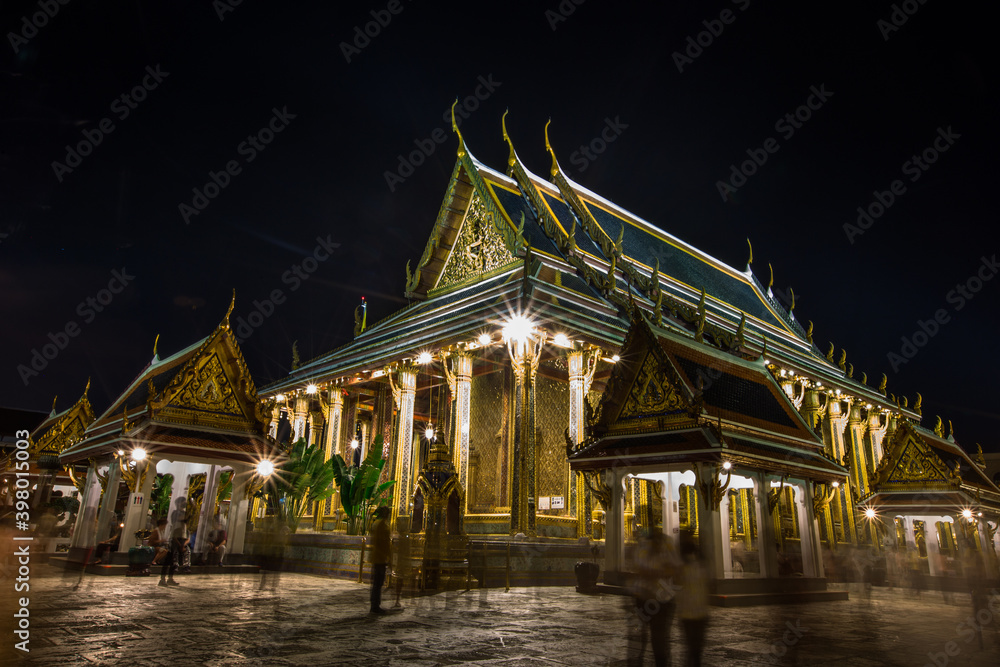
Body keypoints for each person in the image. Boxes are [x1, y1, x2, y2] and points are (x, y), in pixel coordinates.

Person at [628, 529, 679, 667]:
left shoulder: (667, 544)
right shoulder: (643, 545)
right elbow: (640, 569)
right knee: (639, 637)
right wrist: (660, 570)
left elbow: (674, 568)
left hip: (662, 599)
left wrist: (657, 571)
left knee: (659, 639)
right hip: (643, 597)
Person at [676, 541, 710, 667]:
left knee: (691, 647)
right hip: (701, 612)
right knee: (697, 648)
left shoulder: (681, 568)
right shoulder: (702, 566)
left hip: (687, 613)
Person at [160, 497, 188, 587]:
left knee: (174, 560)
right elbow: (180, 520)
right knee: (169, 559)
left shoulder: (184, 513)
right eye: (183, 502)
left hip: (182, 536)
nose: (184, 504)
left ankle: (170, 578)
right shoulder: (175, 513)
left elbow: (187, 521)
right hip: (174, 537)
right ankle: (162, 579)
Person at [369, 506, 391, 614]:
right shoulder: (382, 525)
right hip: (380, 557)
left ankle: (374, 604)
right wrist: (388, 556)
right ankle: (375, 605)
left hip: (376, 556)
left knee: (376, 583)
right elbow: (384, 542)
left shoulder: (375, 523)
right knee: (378, 583)